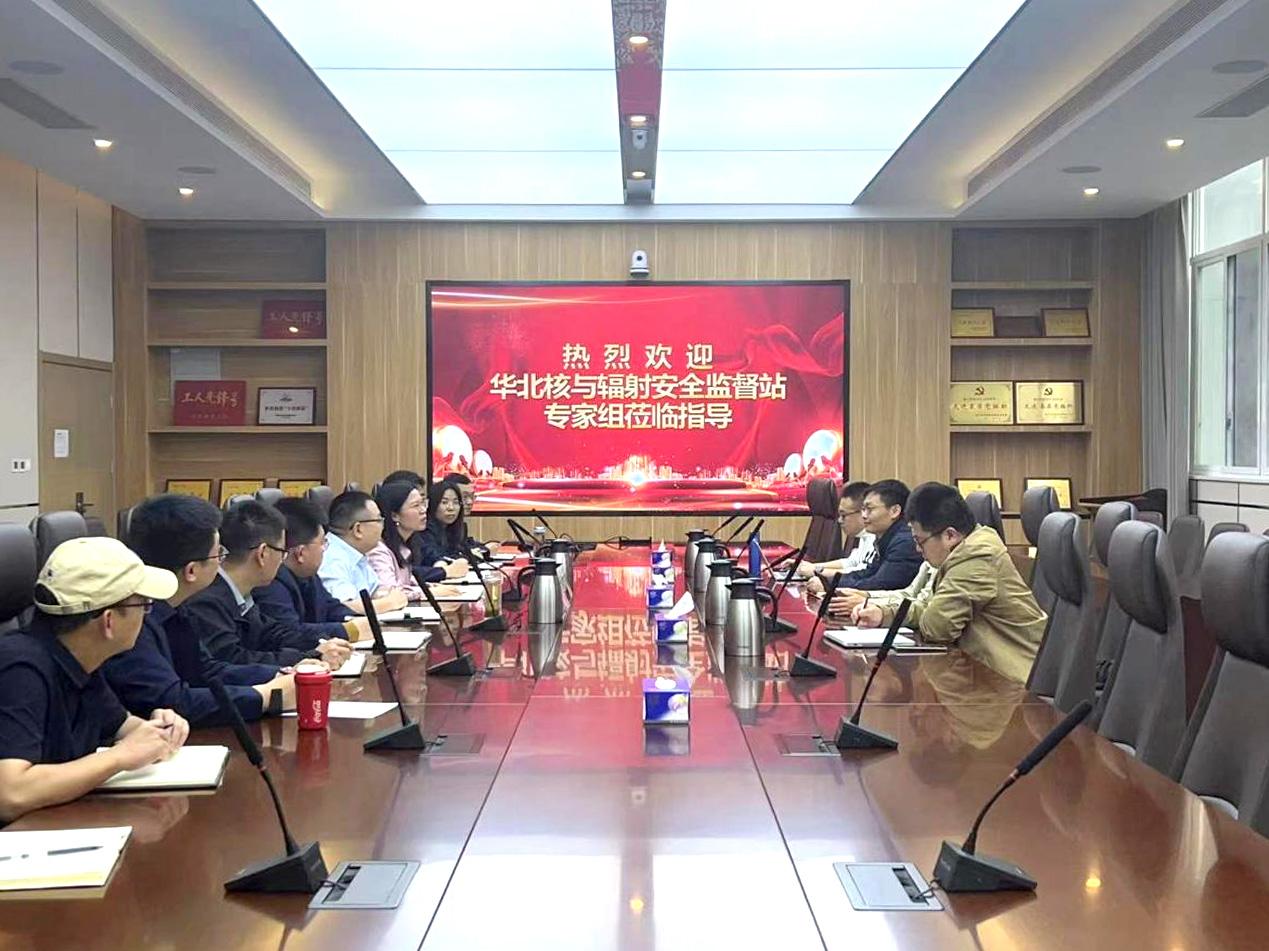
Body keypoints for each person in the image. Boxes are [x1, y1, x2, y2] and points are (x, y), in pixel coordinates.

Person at [0, 537, 189, 822]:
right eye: (144, 605)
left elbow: (121, 725)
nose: (146, 616)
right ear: (109, 621)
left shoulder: (80, 657)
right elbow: (11, 793)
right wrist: (118, 758)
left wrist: (159, 729)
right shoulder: (20, 668)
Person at [104, 495, 296, 725]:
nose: (222, 562)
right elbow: (171, 701)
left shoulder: (175, 606)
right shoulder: (132, 617)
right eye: (219, 554)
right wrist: (264, 697)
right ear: (191, 571)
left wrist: (278, 675)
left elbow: (205, 671)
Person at [851, 482, 1047, 684]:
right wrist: (885, 614)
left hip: (1013, 683)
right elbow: (930, 608)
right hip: (984, 673)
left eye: (920, 541)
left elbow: (936, 628)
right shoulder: (961, 552)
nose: (918, 549)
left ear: (950, 535)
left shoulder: (975, 559)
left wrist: (921, 611)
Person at [180, 501, 351, 670]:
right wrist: (307, 657)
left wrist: (321, 645)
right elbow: (233, 658)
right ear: (263, 553)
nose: (282, 561)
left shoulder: (240, 592)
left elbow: (271, 633)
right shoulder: (207, 600)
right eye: (282, 552)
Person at [255, 497, 372, 642]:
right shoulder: (270, 582)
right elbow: (289, 631)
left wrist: (357, 620)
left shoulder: (307, 574)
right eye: (323, 542)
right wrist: (347, 630)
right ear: (300, 553)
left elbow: (330, 607)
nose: (325, 549)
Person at [369, 483, 466, 601]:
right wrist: (429, 592)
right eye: (416, 505)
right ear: (394, 515)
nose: (423, 510)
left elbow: (405, 580)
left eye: (423, 503)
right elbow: (389, 593)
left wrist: (429, 586)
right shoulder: (379, 551)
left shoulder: (404, 547)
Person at [318, 490, 410, 612]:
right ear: (358, 529)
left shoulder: (356, 553)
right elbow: (343, 607)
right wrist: (390, 602)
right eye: (379, 520)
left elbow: (375, 591)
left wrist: (387, 596)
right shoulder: (332, 558)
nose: (383, 526)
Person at [834, 479, 922, 592]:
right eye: (863, 509)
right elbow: (867, 573)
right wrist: (831, 581)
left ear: (894, 511)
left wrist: (832, 585)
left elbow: (879, 584)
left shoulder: (904, 542)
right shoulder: (886, 537)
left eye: (869, 509)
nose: (864, 515)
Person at [799, 481, 874, 586]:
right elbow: (851, 562)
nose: (839, 520)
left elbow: (861, 574)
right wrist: (813, 566)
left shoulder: (876, 536)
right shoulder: (864, 535)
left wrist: (818, 572)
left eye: (844, 515)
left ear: (863, 512)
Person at [419, 481, 470, 568]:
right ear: (433, 504)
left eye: (455, 502)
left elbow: (463, 550)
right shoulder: (424, 529)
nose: (451, 508)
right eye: (444, 502)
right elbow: (432, 556)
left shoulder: (456, 529)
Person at [442, 472, 489, 557]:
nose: (470, 502)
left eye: (472, 496)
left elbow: (466, 545)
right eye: (464, 497)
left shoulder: (459, 525)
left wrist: (484, 548)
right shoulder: (437, 527)